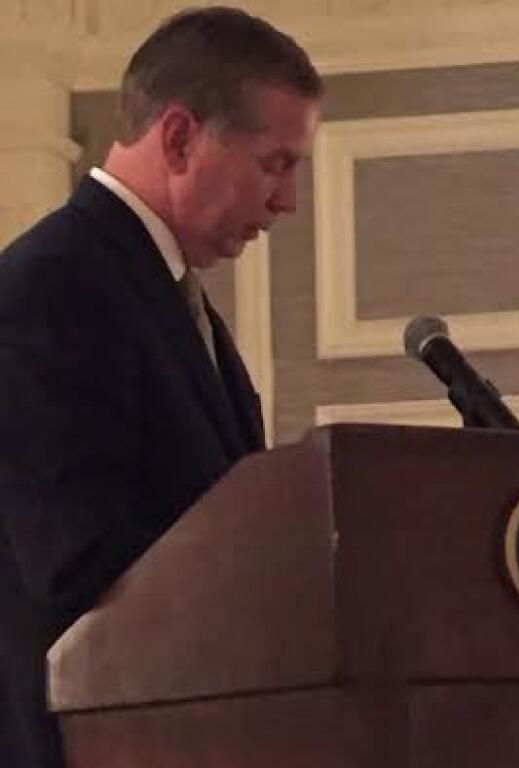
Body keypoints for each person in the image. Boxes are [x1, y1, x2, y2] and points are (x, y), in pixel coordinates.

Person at [0, 7, 322, 766]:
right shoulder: (49, 291)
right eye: (275, 163)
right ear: (178, 138)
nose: (288, 203)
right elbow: (80, 568)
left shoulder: (157, 291)